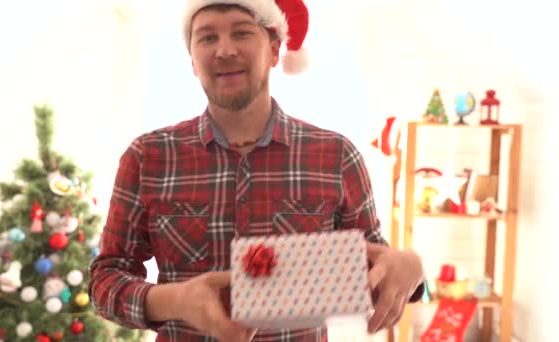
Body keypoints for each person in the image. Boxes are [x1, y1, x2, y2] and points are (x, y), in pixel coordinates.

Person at [88, 0, 425, 341]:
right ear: (192, 60)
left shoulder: (336, 157)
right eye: (207, 38)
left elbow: (374, 264)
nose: (224, 50)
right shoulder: (147, 157)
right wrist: (173, 300)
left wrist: (409, 266)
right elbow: (105, 281)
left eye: (241, 32)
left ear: (276, 50)